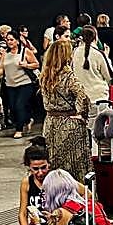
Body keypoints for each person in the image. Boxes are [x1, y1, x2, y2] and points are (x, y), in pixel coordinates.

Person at [40, 39, 92, 182]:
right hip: (69, 125)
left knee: (55, 164)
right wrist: (82, 115)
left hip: (50, 123)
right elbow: (83, 96)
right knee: (75, 166)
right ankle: (78, 199)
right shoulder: (69, 76)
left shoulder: (44, 76)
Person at [0, 31, 38, 139]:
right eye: (7, 40)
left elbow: (36, 64)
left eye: (12, 39)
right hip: (10, 85)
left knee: (19, 106)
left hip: (24, 84)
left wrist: (26, 65)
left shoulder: (25, 51)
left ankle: (19, 130)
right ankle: (28, 119)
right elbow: (1, 68)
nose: (9, 42)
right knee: (12, 108)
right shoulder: (5, 54)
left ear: (17, 41)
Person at [72, 25, 113, 111]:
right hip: (98, 98)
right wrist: (107, 57)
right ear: (95, 37)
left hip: (81, 98)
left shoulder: (75, 52)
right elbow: (109, 76)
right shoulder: (99, 54)